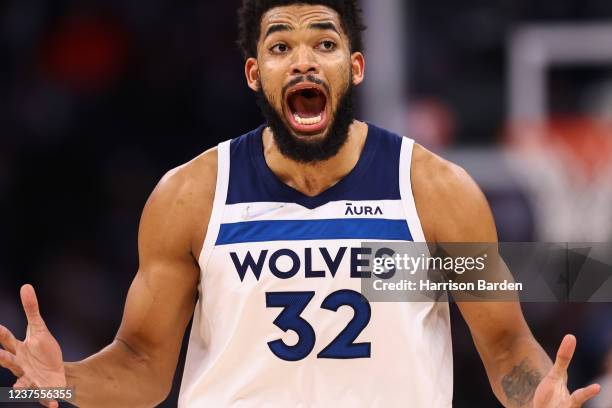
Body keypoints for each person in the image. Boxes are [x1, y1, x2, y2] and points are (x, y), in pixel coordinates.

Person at [0, 1, 602, 407]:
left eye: (325, 42)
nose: (304, 58)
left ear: (355, 66)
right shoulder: (191, 195)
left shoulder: (433, 190)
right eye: (281, 45)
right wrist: (56, 388)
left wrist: (533, 398)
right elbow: (141, 363)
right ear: (254, 73)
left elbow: (503, 343)